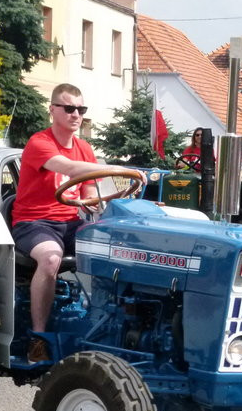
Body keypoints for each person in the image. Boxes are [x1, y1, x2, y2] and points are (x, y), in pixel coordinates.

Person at [11, 83, 145, 363]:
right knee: (50, 259)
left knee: (120, 248)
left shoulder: (85, 148)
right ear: (52, 110)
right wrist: (123, 170)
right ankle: (38, 338)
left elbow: (88, 192)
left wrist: (98, 201)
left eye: (81, 109)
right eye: (69, 108)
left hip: (71, 221)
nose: (76, 114)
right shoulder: (40, 143)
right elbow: (69, 169)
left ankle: (110, 323)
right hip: (35, 222)